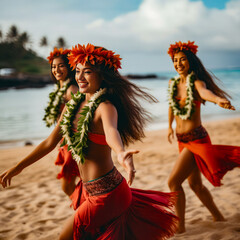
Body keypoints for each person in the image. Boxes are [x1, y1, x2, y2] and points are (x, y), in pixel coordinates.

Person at [0, 43, 178, 240]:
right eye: (77, 71)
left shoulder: (105, 106)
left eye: (88, 72)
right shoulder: (70, 108)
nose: (80, 77)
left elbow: (111, 132)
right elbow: (49, 142)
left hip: (108, 193)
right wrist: (18, 167)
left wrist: (121, 153)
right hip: (88, 191)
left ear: (102, 76)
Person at [167, 40, 240, 233]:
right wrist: (168, 126)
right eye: (175, 60)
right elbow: (171, 106)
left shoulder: (196, 82)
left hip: (196, 140)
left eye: (183, 60)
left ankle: (180, 226)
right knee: (195, 185)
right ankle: (218, 216)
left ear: (191, 61)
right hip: (181, 140)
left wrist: (218, 100)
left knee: (173, 182)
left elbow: (205, 93)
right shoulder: (172, 83)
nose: (179, 63)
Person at [43, 47, 80, 196]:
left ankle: (84, 211)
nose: (56, 70)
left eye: (61, 65)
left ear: (69, 67)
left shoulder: (72, 88)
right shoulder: (60, 87)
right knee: (71, 184)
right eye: (53, 66)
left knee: (67, 184)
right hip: (65, 140)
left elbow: (81, 116)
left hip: (74, 141)